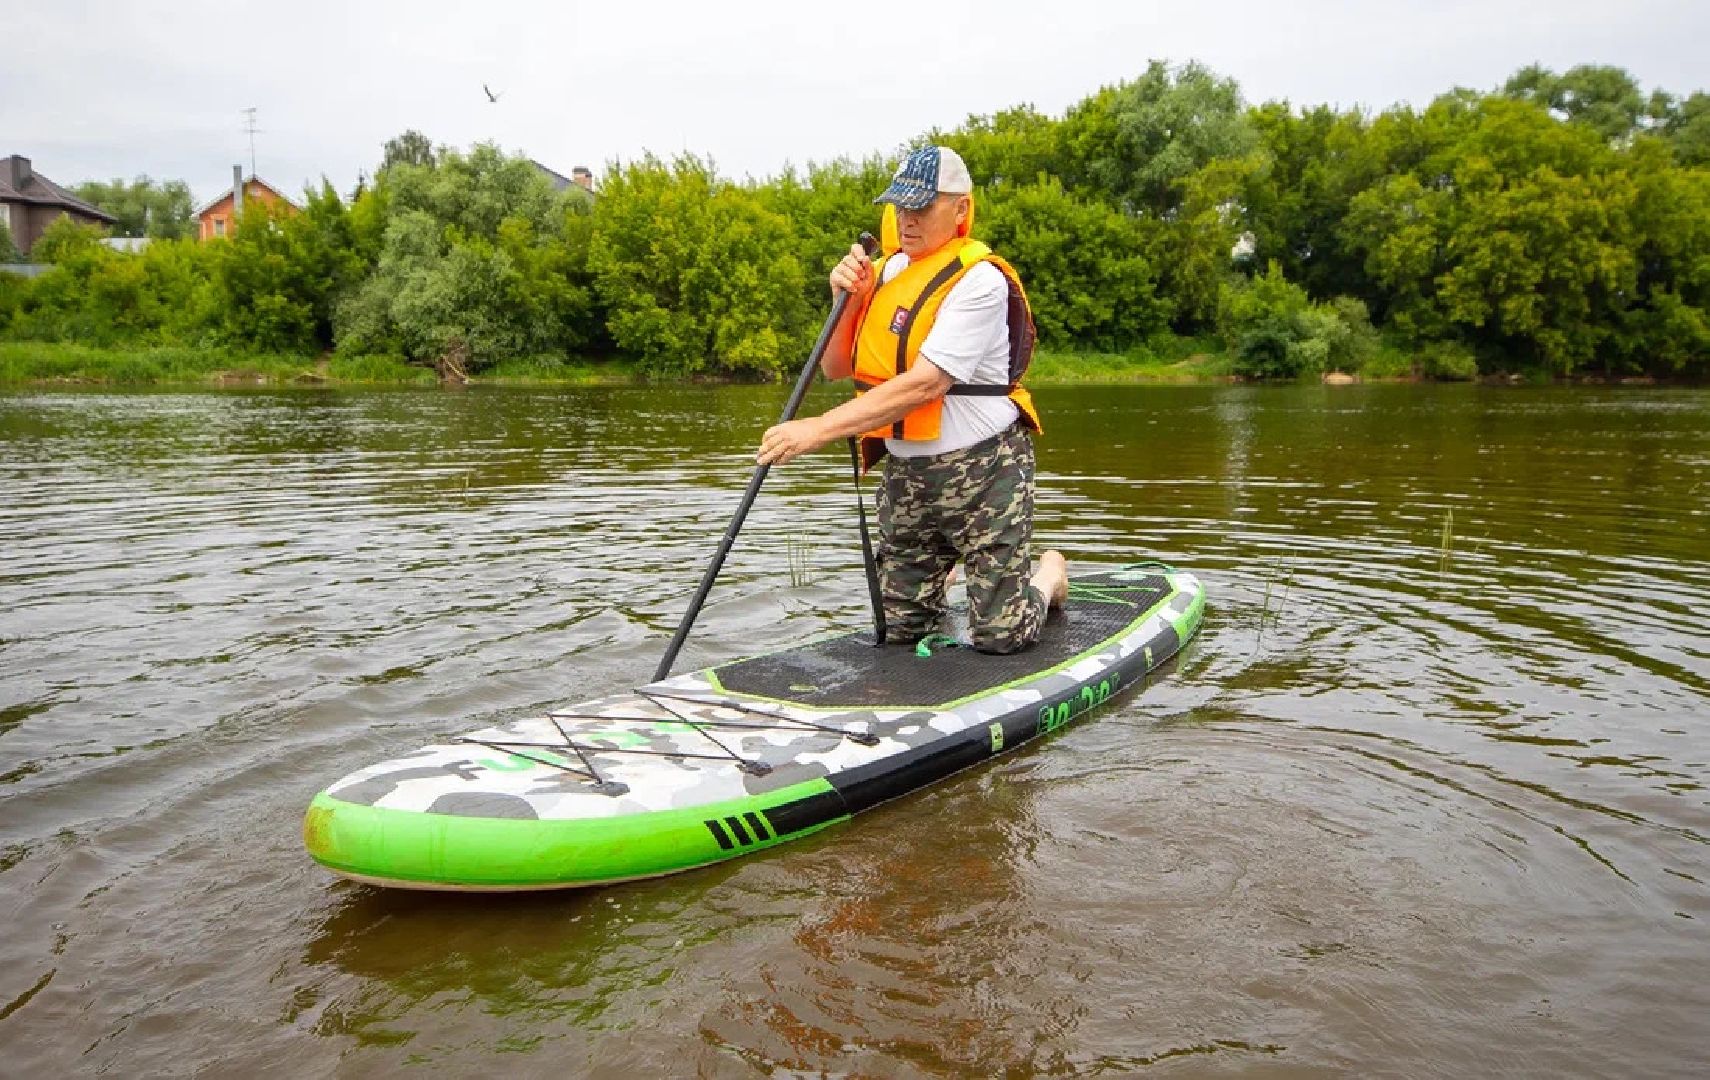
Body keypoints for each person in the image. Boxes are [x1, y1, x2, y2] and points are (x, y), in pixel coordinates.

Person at [755, 145, 1068, 654]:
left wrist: (814, 430)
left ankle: (1047, 575)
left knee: (1000, 638)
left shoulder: (980, 280)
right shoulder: (882, 273)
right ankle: (933, 580)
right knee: (900, 631)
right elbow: (837, 368)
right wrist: (846, 301)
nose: (907, 220)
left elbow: (926, 384)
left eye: (922, 208)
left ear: (961, 209)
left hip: (984, 471)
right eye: (900, 207)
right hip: (907, 478)